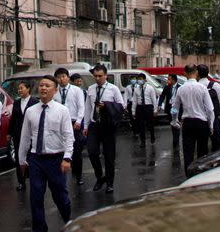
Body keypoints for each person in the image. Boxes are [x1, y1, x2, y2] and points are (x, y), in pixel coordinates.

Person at [18, 75, 74, 232]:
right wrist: (21, 160)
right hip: (36, 160)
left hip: (56, 159)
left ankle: (69, 225)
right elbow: (25, 137)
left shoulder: (62, 110)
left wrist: (67, 158)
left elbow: (68, 136)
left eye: (47, 86)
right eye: (41, 85)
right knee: (35, 197)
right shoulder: (30, 111)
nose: (43, 88)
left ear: (55, 90)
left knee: (61, 197)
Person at [82, 64, 125, 193]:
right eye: (95, 76)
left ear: (106, 76)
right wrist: (86, 125)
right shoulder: (91, 89)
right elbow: (88, 107)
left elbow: (121, 106)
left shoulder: (113, 89)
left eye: (100, 76)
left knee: (109, 155)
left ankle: (110, 183)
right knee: (92, 152)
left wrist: (106, 105)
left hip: (108, 125)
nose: (97, 78)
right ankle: (100, 177)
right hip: (94, 124)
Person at [171, 64, 214, 178]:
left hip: (188, 123)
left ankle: (189, 176)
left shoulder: (181, 89)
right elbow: (210, 109)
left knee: (188, 152)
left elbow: (174, 108)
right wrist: (211, 125)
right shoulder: (202, 88)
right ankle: (201, 176)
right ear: (196, 73)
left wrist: (174, 121)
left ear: (185, 73)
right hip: (202, 123)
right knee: (202, 152)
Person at [53, 68, 85, 185]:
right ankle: (61, 175)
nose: (61, 79)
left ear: (67, 77)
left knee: (76, 150)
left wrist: (79, 121)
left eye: (63, 76)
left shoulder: (76, 90)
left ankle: (79, 175)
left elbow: (81, 107)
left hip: (73, 122)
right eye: (58, 77)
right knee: (60, 149)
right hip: (59, 123)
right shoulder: (54, 92)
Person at [9, 80, 38, 190]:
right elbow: (13, 119)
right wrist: (9, 133)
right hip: (18, 133)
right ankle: (21, 181)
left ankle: (33, 178)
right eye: (18, 88)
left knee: (31, 157)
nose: (19, 90)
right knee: (19, 156)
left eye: (22, 88)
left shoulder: (35, 102)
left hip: (31, 134)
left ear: (28, 89)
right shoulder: (16, 102)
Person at [197, 65, 220, 152]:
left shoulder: (195, 86)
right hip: (214, 119)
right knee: (216, 144)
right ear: (208, 74)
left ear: (197, 74)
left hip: (200, 120)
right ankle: (216, 163)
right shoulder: (215, 85)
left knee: (202, 145)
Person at [131, 73, 157, 145]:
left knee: (150, 124)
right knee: (141, 125)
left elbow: (154, 99)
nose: (139, 81)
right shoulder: (136, 89)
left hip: (148, 107)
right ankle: (143, 141)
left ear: (145, 80)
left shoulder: (150, 88)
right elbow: (134, 101)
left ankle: (152, 137)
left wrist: (155, 109)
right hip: (140, 108)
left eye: (141, 79)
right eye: (138, 79)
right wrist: (133, 112)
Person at [158, 74, 181, 148]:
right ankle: (175, 139)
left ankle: (176, 140)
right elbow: (162, 96)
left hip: (178, 109)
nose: (167, 81)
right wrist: (159, 104)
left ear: (173, 80)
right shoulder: (167, 87)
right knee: (172, 124)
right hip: (170, 109)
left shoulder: (180, 87)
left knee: (177, 124)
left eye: (169, 79)